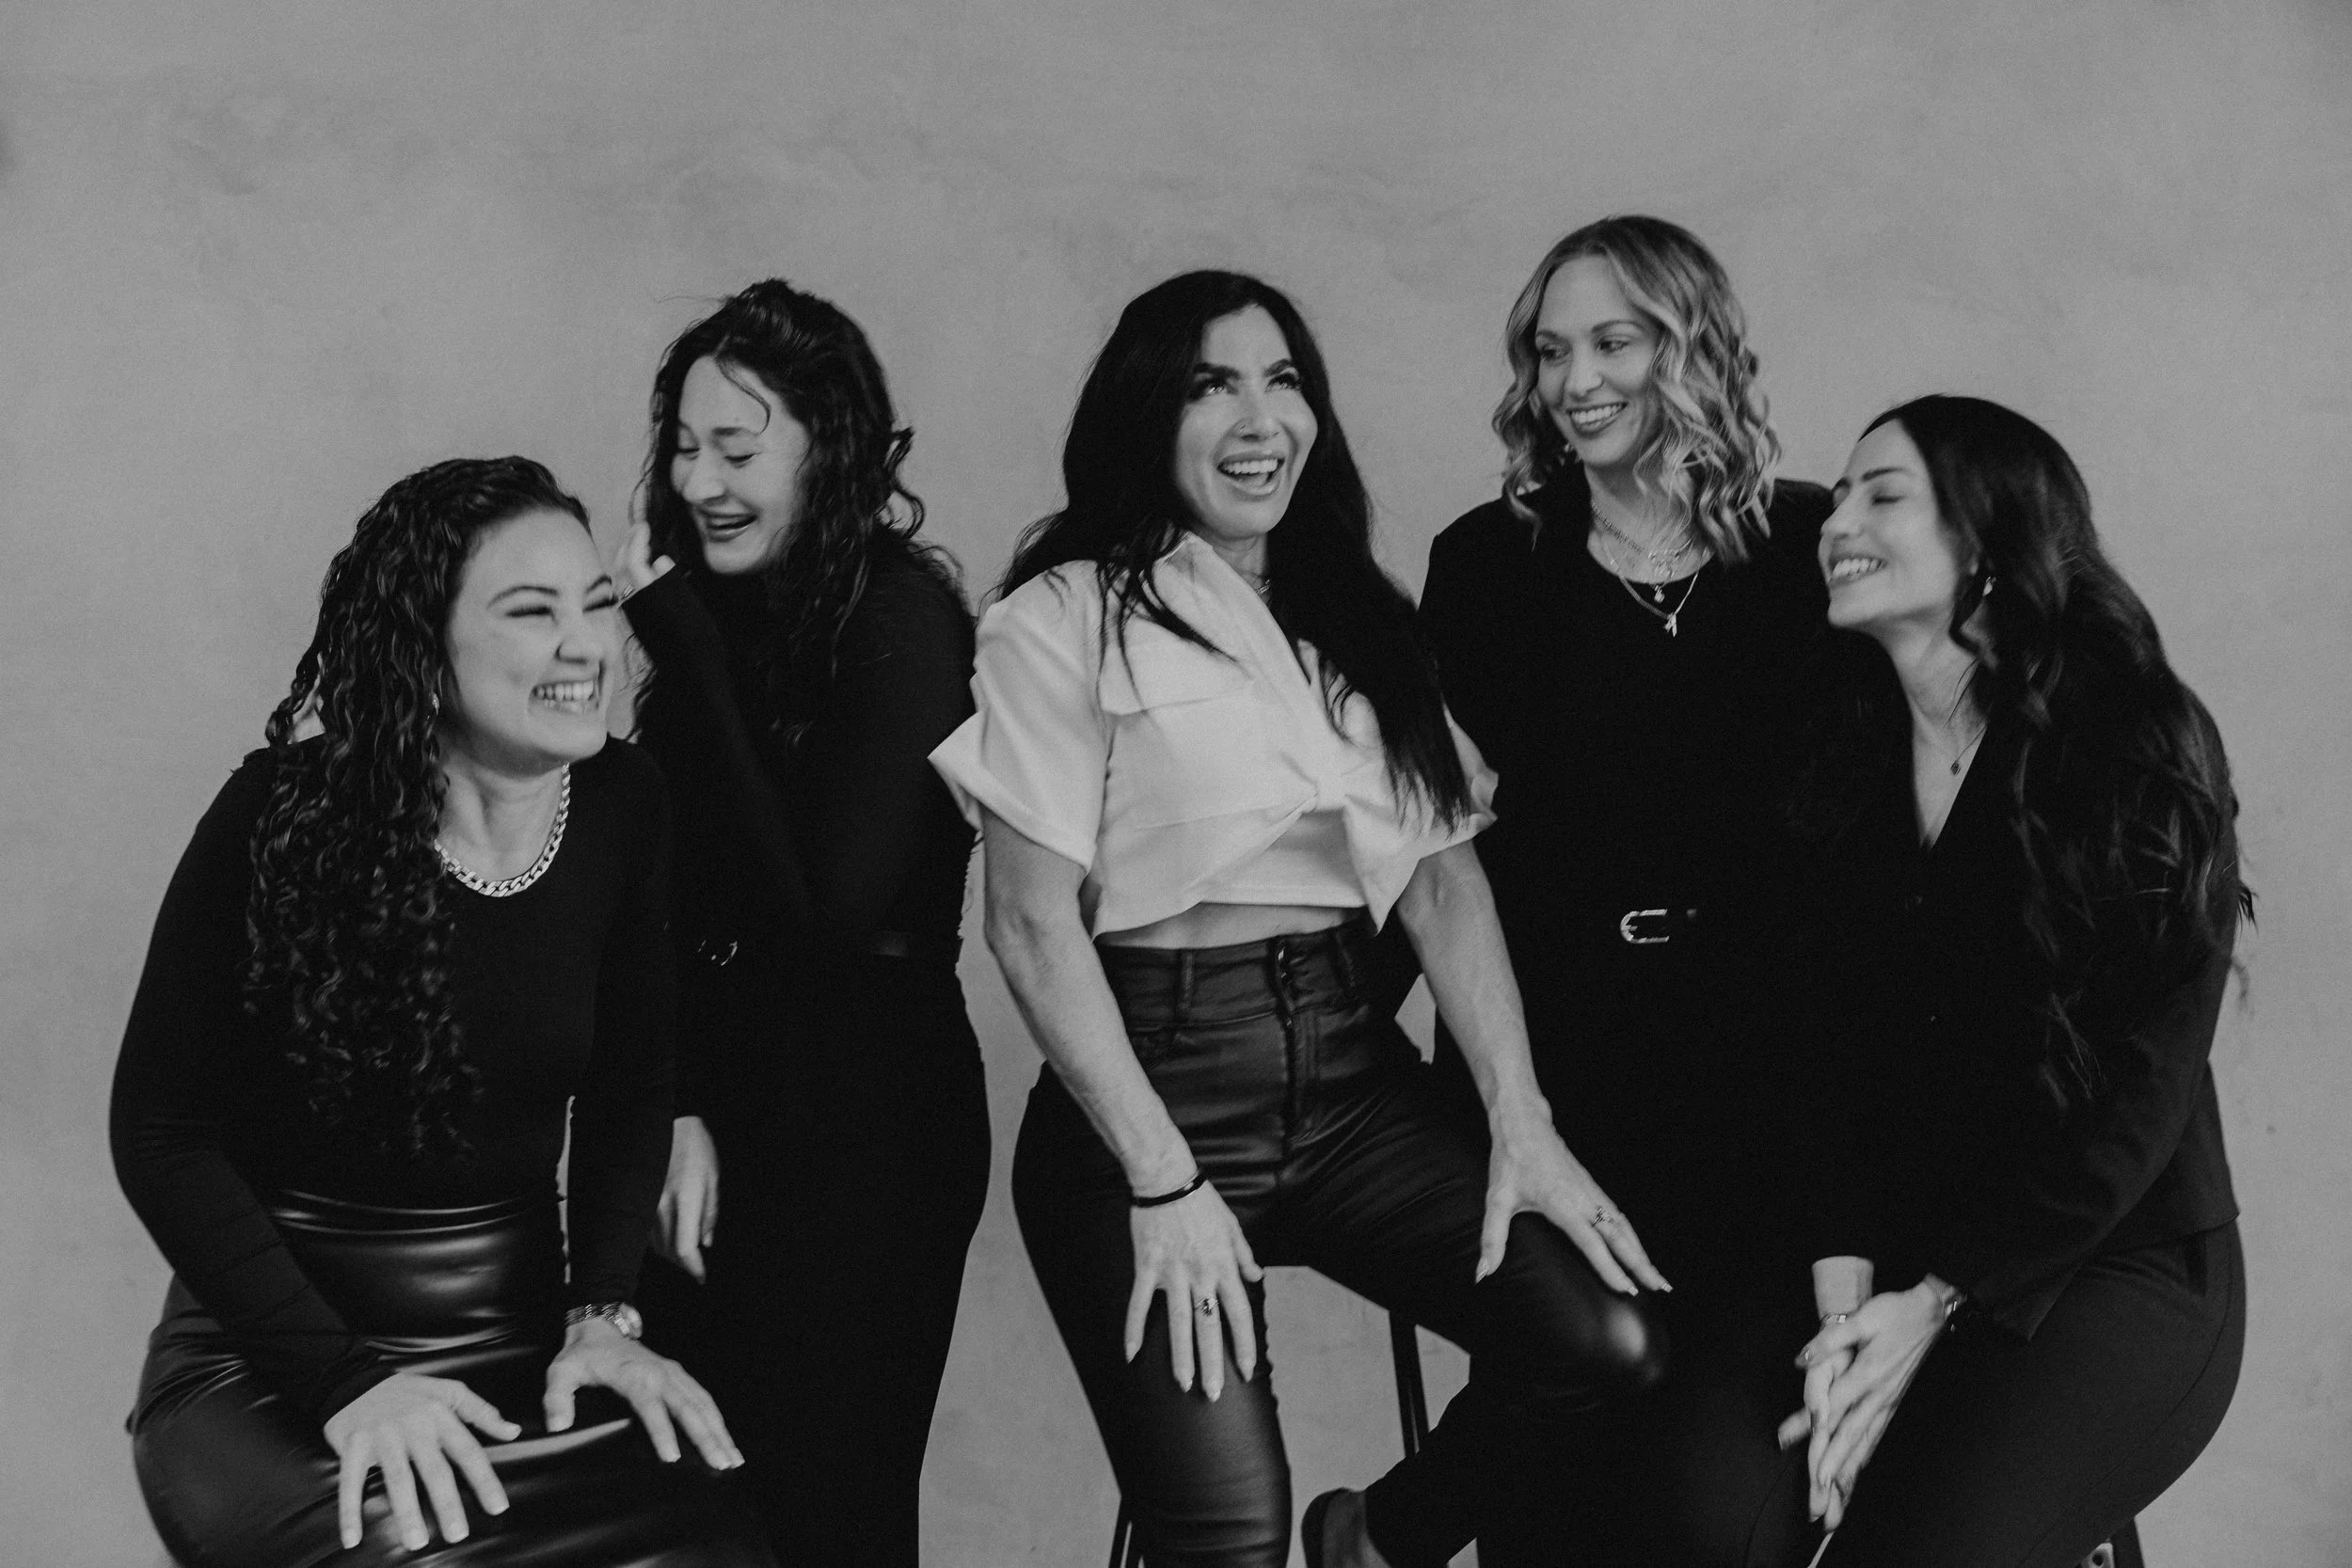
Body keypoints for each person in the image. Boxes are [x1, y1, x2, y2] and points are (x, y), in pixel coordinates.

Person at [930, 269, 1671, 1568]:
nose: (1258, 418)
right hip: (1146, 1099)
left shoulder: (1359, 622)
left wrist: (1522, 1120)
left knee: (1603, 1339)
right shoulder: (1060, 617)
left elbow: (1442, 879)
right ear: (1147, 417)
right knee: (1228, 1534)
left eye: (1283, 382)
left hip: (1351, 1086)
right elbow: (1032, 926)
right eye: (1211, 386)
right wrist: (1164, 1178)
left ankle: (1373, 1539)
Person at [112, 457, 770, 1567]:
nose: (587, 646)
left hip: (519, 1335)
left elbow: (632, 1086)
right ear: (424, 644)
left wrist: (603, 1318)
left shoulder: (624, 801)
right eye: (533, 612)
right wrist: (346, 1383)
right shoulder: (280, 814)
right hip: (277, 1355)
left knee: (720, 1541)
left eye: (596, 604)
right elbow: (159, 1131)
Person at [1766, 396, 2248, 1566]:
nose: (1836, 522)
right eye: (1838, 494)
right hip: (1914, 1266)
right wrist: (1844, 1326)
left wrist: (1934, 1305)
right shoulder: (1842, 747)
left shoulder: (2133, 741)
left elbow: (2137, 1098)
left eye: (1882, 494)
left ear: (1988, 538)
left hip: (2116, 1261)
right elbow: (1824, 1067)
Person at [1415, 214, 1834, 1559]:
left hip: (1761, 1066)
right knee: (1564, 1444)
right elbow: (1432, 844)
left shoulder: (1812, 548)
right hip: (1557, 1056)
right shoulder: (1486, 563)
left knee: (1710, 1475)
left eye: (1614, 341)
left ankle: (1380, 1532)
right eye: (1550, 351)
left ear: (1691, 346)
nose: (1575, 380)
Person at [615, 279, 988, 1566]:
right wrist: (673, 1106)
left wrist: (689, 654)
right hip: (718, 1104)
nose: (699, 480)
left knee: (834, 1517)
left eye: (736, 446)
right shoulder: (716, 626)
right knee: (696, 1511)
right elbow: (660, 911)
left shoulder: (903, 616)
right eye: (684, 446)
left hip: (868, 1116)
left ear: (828, 450)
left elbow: (822, 915)